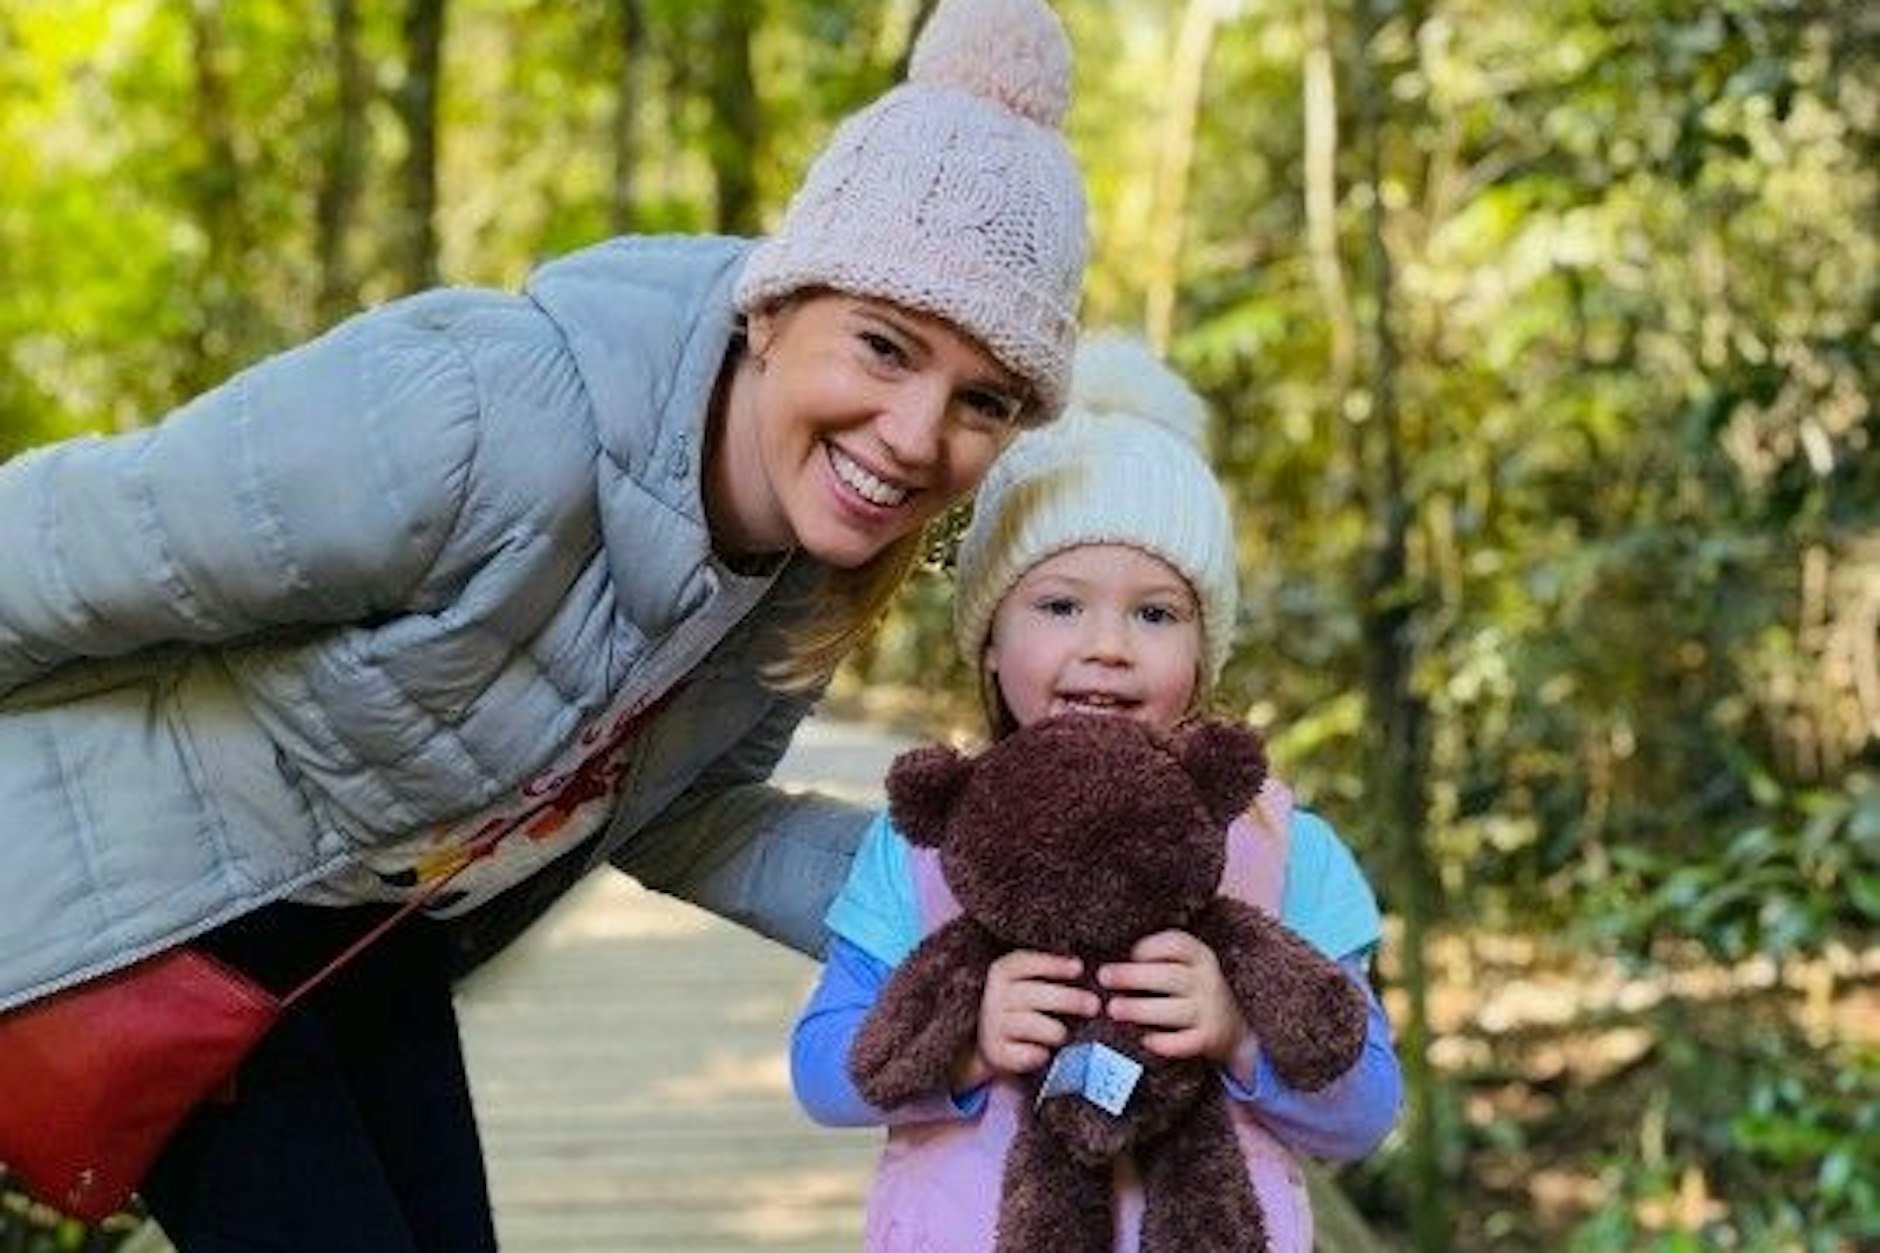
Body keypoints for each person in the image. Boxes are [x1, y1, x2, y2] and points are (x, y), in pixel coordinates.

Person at [0, 0, 1088, 1248]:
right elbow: (63, 548)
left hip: (360, 943)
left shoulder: (797, 565)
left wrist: (996, 888)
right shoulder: (482, 416)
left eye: (981, 399)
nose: (913, 435)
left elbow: (686, 814)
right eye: (885, 347)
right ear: (775, 305)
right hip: (155, 895)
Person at [790, 334, 1403, 1252]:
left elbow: (1367, 1108)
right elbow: (819, 1067)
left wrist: (1239, 1032)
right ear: (991, 639)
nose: (1107, 645)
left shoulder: (1280, 845)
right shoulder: (924, 846)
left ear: (1204, 651)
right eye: (1060, 604)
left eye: (1156, 613)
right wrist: (964, 1040)